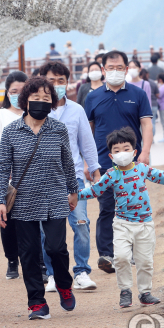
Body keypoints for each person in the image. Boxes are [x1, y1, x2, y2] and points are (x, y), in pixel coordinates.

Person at [78, 127, 164, 307]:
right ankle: (125, 290)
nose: (121, 153)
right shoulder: (111, 175)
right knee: (122, 257)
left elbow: (162, 176)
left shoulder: (142, 169)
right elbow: (95, 190)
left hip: (145, 224)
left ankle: (145, 292)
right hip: (122, 224)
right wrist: (75, 195)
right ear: (111, 156)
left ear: (134, 152)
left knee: (145, 260)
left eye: (125, 149)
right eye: (116, 151)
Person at [0, 77, 78, 320]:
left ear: (52, 102)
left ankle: (64, 284)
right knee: (29, 252)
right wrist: (1, 200)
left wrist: (73, 190)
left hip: (54, 196)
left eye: (46, 99)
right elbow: (2, 168)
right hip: (23, 202)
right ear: (25, 100)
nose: (41, 102)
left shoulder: (58, 129)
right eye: (36, 98)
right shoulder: (11, 131)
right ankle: (37, 302)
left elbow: (67, 162)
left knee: (56, 248)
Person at [84, 50, 153, 274]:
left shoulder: (138, 94)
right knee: (106, 208)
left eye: (120, 68)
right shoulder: (92, 97)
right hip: (104, 161)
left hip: (132, 163)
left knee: (131, 206)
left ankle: (130, 252)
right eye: (110, 68)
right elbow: (87, 132)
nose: (115, 71)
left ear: (126, 68)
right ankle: (106, 254)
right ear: (103, 70)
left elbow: (146, 125)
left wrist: (145, 153)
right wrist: (88, 162)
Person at [39, 62, 101, 292]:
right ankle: (54, 274)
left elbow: (87, 143)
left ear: (68, 82)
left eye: (61, 81)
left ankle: (82, 271)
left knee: (81, 224)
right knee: (48, 231)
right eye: (51, 81)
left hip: (74, 178)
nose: (56, 85)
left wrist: (94, 170)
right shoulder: (35, 111)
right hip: (46, 181)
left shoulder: (77, 111)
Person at [0, 71, 28, 280]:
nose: (18, 95)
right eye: (13, 91)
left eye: (22, 91)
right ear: (7, 93)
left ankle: (34, 260)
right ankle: (12, 260)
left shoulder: (34, 114)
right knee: (8, 219)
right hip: (8, 176)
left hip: (30, 175)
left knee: (32, 220)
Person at [140, 68, 160, 138]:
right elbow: (158, 94)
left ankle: (145, 138)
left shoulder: (140, 83)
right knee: (152, 122)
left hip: (143, 106)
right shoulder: (152, 83)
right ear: (148, 74)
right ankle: (152, 137)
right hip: (154, 104)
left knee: (143, 124)